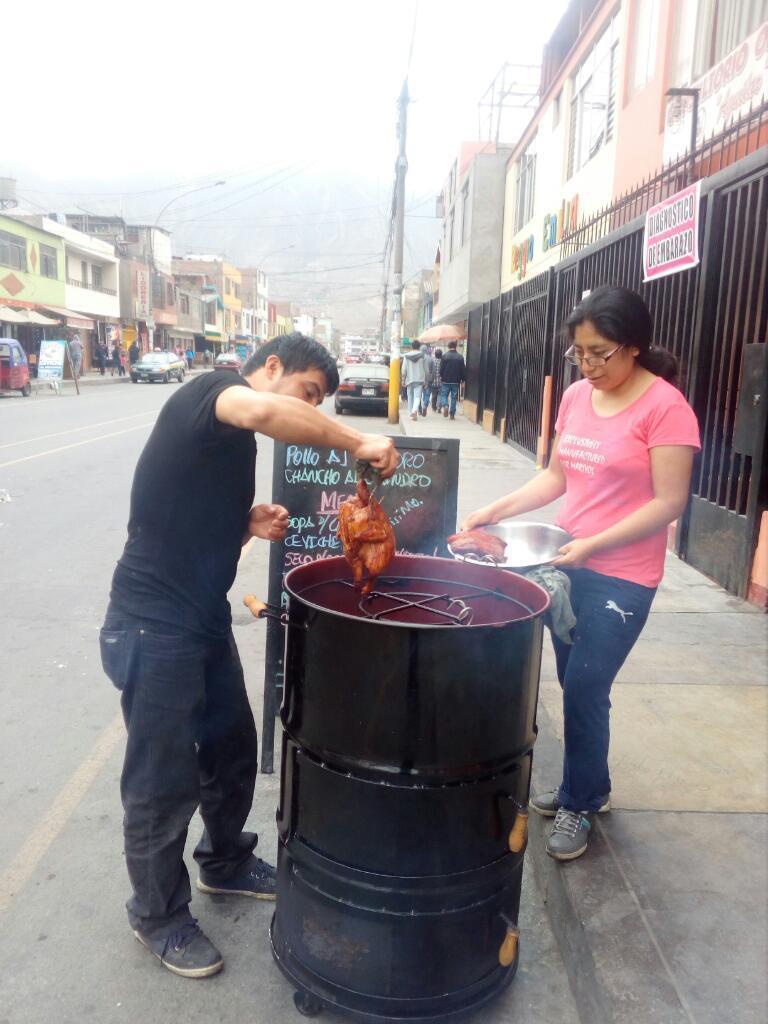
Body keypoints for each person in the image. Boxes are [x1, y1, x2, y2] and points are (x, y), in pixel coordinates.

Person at [99, 333, 398, 979]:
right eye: (309, 394)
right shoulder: (212, 392)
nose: (311, 409)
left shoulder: (230, 442)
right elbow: (265, 411)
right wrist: (354, 441)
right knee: (161, 779)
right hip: (153, 624)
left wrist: (247, 523)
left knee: (233, 745)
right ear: (270, 368)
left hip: (201, 618)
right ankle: (155, 915)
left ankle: (226, 861)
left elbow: (183, 513)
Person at [463, 286, 700, 861]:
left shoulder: (667, 408)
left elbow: (668, 503)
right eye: (579, 353)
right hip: (565, 563)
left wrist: (594, 543)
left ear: (634, 347)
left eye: (601, 353)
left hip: (621, 574)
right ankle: (590, 786)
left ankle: (578, 804)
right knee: (575, 684)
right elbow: (556, 477)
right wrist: (498, 509)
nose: (589, 365)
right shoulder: (574, 397)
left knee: (589, 685)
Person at [439, 341, 466, 419]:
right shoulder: (460, 357)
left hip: (445, 380)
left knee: (444, 395)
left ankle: (446, 405)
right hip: (456, 381)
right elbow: (463, 370)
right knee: (454, 398)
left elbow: (441, 369)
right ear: (456, 346)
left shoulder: (444, 356)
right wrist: (463, 380)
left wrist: (441, 376)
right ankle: (452, 414)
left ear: (448, 346)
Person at [401, 339, 426, 421]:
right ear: (419, 347)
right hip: (419, 380)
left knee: (410, 396)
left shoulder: (406, 356)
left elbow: (404, 369)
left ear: (412, 346)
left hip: (409, 380)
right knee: (417, 397)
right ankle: (415, 410)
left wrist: (403, 379)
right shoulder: (423, 356)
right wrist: (426, 380)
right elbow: (426, 369)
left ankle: (411, 413)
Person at [419, 347, 437, 417]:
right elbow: (434, 371)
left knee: (418, 396)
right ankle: (425, 406)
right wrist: (432, 378)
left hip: (419, 379)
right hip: (428, 379)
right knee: (427, 394)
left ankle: (419, 410)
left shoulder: (419, 358)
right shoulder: (430, 359)